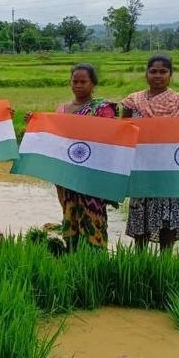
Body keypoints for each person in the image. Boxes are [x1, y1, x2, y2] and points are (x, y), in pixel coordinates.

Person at [122, 54, 179, 251]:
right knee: (141, 213)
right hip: (142, 168)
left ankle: (165, 261)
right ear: (146, 74)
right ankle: (140, 259)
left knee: (168, 216)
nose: (158, 76)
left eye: (163, 71)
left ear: (170, 75)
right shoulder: (134, 101)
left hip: (170, 170)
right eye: (153, 71)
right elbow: (123, 131)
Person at [51, 63, 117, 250]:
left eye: (83, 81)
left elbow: (110, 140)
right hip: (68, 174)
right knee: (70, 213)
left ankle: (94, 260)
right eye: (75, 81)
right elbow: (55, 137)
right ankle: (72, 256)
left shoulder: (103, 109)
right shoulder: (61, 110)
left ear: (93, 83)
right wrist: (36, 122)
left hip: (92, 175)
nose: (78, 85)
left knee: (93, 216)